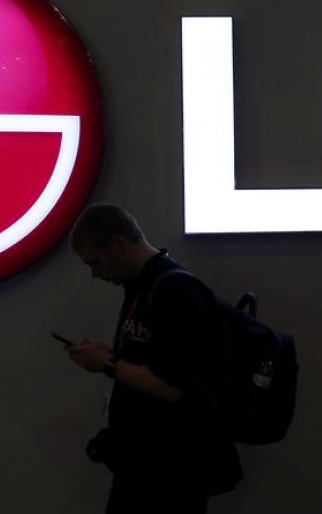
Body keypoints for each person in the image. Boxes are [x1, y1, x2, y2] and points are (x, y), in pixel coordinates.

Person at [66, 203, 242, 514]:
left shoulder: (173, 291)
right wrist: (108, 356)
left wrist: (107, 364)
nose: (95, 274)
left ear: (118, 244)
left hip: (171, 469)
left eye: (96, 262)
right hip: (146, 466)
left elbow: (174, 386)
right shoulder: (143, 289)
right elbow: (152, 362)